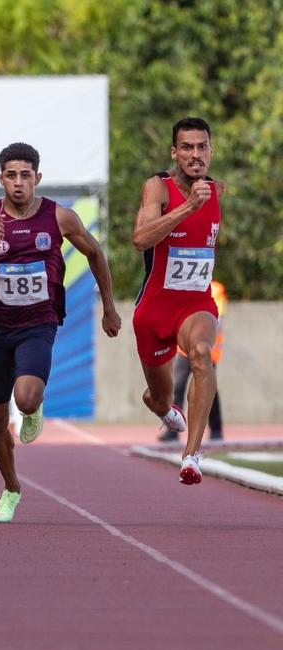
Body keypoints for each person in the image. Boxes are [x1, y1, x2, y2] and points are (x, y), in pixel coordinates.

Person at [0, 142, 121, 523]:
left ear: (38, 178)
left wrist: (110, 308)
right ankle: (12, 488)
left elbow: (95, 253)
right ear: (1, 179)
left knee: (27, 399)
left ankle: (34, 408)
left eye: (25, 175)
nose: (18, 183)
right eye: (11, 176)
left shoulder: (59, 217)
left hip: (38, 324)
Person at [132, 117, 224, 484]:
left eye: (202, 146)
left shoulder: (218, 190)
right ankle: (159, 405)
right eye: (187, 147)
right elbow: (140, 239)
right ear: (175, 152)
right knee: (160, 397)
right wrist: (187, 209)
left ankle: (192, 455)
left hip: (195, 305)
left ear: (211, 152)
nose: (195, 154)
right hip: (154, 312)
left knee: (202, 354)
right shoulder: (158, 188)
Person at [159, 279, 226, 442]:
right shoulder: (185, 285)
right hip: (185, 349)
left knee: (209, 390)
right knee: (178, 385)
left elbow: (218, 319)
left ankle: (216, 430)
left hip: (207, 349)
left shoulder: (216, 290)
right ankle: (172, 431)